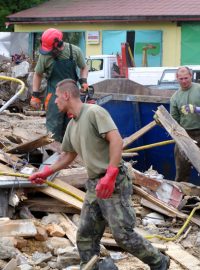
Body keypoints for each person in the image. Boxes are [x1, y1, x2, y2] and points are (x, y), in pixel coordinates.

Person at [29, 79, 170, 270]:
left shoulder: (94, 112)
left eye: (56, 97)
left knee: (123, 235)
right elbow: (68, 155)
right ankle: (91, 267)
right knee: (86, 234)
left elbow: (116, 141)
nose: (54, 101)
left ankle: (160, 263)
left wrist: (110, 175)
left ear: (66, 95)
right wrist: (46, 172)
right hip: (95, 184)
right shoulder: (72, 124)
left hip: (114, 181)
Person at [30, 28, 88, 144]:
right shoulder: (45, 57)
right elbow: (38, 74)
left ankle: (71, 154)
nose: (48, 52)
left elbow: (84, 67)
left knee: (72, 125)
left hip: (72, 94)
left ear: (59, 44)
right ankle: (53, 155)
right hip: (53, 95)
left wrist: (83, 81)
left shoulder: (74, 51)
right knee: (54, 127)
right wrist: (35, 95)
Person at [170, 66, 200, 182]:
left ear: (191, 76)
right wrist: (162, 121)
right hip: (184, 136)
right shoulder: (175, 98)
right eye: (181, 78)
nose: (184, 81)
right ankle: (182, 197)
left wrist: (197, 109)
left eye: (186, 78)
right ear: (177, 78)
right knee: (181, 171)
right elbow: (174, 121)